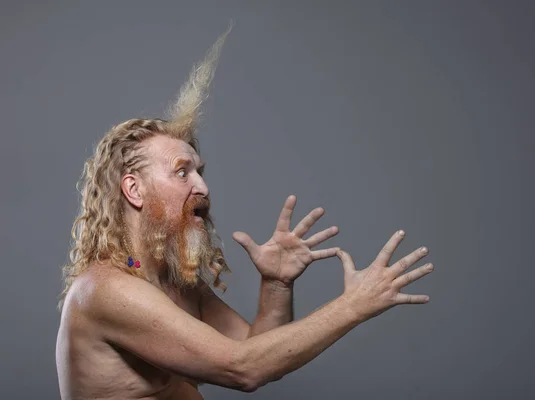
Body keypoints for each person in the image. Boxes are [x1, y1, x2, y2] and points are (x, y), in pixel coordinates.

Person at [55, 26, 434, 400]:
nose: (202, 187)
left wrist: (276, 285)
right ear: (134, 189)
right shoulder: (107, 291)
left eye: (200, 172)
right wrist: (352, 306)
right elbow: (243, 369)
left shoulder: (177, 285)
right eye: (182, 172)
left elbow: (261, 350)